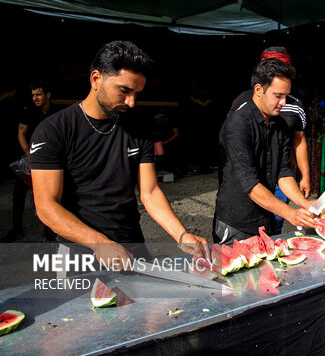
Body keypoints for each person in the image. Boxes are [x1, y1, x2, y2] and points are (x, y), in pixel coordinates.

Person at [29, 41, 207, 266]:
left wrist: (181, 235)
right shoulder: (54, 130)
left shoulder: (139, 128)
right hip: (79, 253)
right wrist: (98, 243)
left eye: (136, 94)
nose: (131, 102)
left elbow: (150, 191)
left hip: (132, 245)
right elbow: (47, 206)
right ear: (96, 79)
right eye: (124, 91)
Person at [214, 58, 316, 244]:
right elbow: (251, 185)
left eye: (286, 96)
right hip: (237, 223)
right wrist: (290, 213)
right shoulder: (238, 124)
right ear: (259, 89)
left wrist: (304, 203)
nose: (284, 102)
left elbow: (283, 172)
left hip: (265, 218)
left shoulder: (280, 124)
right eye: (278, 95)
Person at [2, 82, 55, 242]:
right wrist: (28, 153)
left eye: (38, 94)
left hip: (48, 163)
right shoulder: (29, 111)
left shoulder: (55, 113)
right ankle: (17, 230)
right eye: (33, 95)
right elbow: (21, 133)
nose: (35, 98)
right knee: (18, 196)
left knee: (47, 197)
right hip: (29, 161)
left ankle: (50, 232)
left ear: (48, 95)